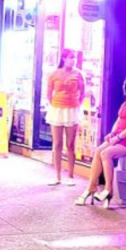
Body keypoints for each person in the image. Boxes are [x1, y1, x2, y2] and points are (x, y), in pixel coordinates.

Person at [75, 75, 126, 208]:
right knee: (99, 150)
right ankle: (91, 187)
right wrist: (112, 133)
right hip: (121, 135)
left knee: (107, 153)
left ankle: (108, 189)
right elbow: (119, 119)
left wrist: (119, 137)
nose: (123, 88)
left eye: (125, 86)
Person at [45, 49, 85, 186]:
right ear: (63, 59)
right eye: (69, 58)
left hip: (72, 110)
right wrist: (55, 103)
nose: (72, 60)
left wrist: (76, 104)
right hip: (57, 109)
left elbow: (82, 92)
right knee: (57, 144)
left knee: (70, 144)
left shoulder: (79, 74)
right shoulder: (54, 74)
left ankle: (70, 175)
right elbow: (49, 93)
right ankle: (57, 175)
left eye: (73, 58)